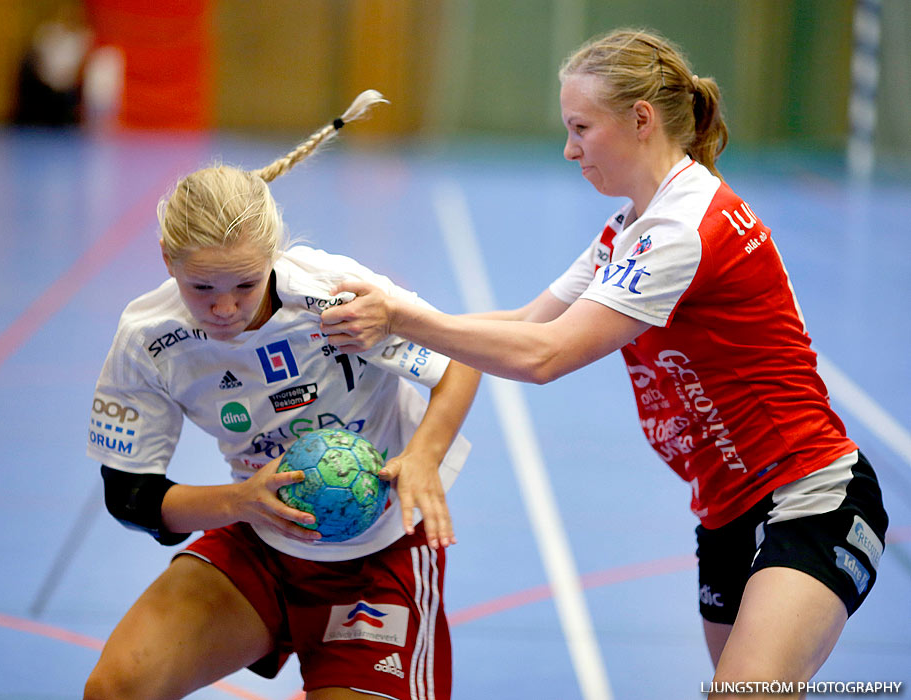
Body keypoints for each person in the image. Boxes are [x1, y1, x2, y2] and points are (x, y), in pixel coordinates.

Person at [320, 30, 889, 698]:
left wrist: (402, 320)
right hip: (725, 509)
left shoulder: (681, 229)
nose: (570, 149)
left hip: (808, 495)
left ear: (640, 120)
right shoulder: (632, 227)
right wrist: (388, 318)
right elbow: (529, 322)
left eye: (581, 128)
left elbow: (544, 357)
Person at [83, 90, 480, 700]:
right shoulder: (150, 338)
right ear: (167, 259)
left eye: (244, 284)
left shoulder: (336, 299)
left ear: (273, 256)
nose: (224, 308)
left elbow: (460, 360)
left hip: (379, 553)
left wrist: (424, 456)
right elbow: (130, 495)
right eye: (201, 287)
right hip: (261, 543)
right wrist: (241, 500)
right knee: (114, 690)